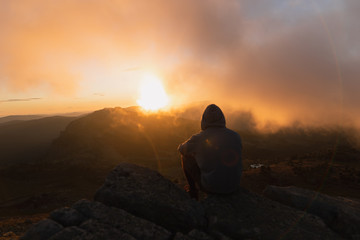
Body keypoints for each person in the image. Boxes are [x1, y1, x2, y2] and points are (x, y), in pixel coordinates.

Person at [178, 104, 242, 199]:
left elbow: (181, 149)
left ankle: (193, 191)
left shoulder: (199, 138)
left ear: (204, 119)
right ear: (222, 118)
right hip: (233, 186)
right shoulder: (235, 136)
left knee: (185, 157)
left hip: (212, 187)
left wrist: (196, 153)